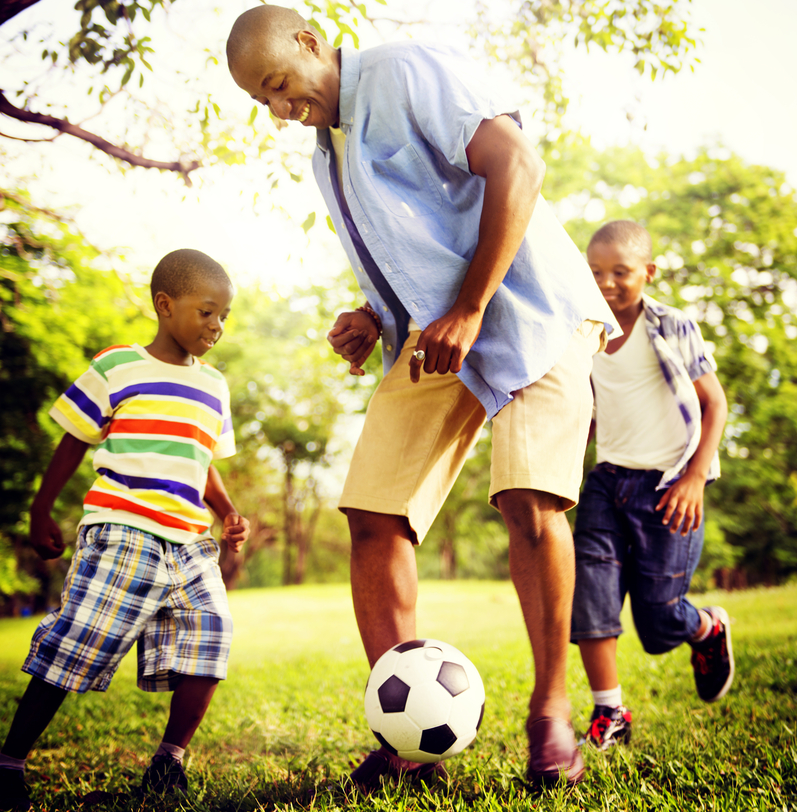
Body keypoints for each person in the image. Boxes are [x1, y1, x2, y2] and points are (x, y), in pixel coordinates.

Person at [226, 5, 618, 789]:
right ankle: (407, 741)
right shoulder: (322, 153)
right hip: (434, 332)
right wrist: (371, 314)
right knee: (374, 515)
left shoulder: (403, 70)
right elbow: (413, 245)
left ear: (309, 42)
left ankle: (551, 716)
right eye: (260, 101)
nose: (276, 109)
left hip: (530, 307)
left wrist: (472, 308)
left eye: (277, 85)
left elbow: (518, 166)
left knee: (528, 501)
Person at [0, 249, 250, 812]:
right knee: (78, 640)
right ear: (166, 306)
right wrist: (40, 513)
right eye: (206, 312)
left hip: (190, 539)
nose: (217, 327)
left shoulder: (214, 386)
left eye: (225, 316)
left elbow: (203, 459)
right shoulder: (119, 366)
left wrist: (230, 511)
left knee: (212, 633)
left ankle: (168, 762)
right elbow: (73, 441)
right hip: (123, 529)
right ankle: (9, 764)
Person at [570, 220, 733, 752]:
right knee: (591, 602)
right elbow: (595, 406)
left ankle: (706, 628)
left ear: (648, 272)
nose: (608, 282)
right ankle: (609, 710)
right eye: (596, 272)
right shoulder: (584, 330)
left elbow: (715, 403)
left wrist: (694, 478)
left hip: (668, 485)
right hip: (606, 484)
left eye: (621, 272)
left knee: (660, 623)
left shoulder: (672, 325)